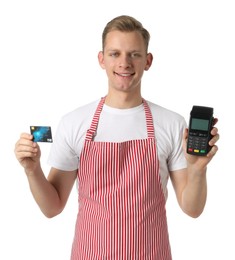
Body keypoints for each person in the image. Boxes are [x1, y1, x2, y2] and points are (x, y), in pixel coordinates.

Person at [14, 15, 219, 260]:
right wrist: (32, 170)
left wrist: (197, 169)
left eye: (134, 54)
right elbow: (52, 207)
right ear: (101, 59)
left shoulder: (171, 123)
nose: (124, 63)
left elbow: (192, 209)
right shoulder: (74, 122)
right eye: (114, 54)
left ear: (148, 61)